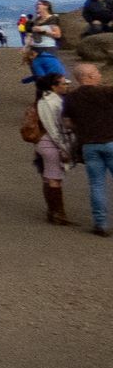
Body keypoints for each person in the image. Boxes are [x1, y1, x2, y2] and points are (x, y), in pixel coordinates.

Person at [62, 63, 113, 238]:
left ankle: (100, 223)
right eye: (97, 72)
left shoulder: (70, 98)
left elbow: (67, 123)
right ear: (89, 76)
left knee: (97, 185)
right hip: (110, 141)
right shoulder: (106, 92)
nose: (100, 75)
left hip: (89, 145)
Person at [32, 72, 73, 226]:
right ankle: (58, 213)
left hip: (42, 142)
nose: (66, 85)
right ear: (53, 86)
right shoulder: (51, 102)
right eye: (63, 83)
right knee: (55, 178)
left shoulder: (44, 100)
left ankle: (52, 211)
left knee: (47, 177)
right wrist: (63, 147)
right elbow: (54, 128)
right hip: (50, 143)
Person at [25, 0, 65, 80]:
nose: (36, 5)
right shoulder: (36, 20)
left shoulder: (52, 19)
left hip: (48, 48)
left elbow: (58, 35)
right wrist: (26, 46)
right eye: (36, 4)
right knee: (37, 73)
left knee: (51, 74)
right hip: (34, 49)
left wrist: (43, 31)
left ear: (46, 6)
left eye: (39, 4)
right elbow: (31, 34)